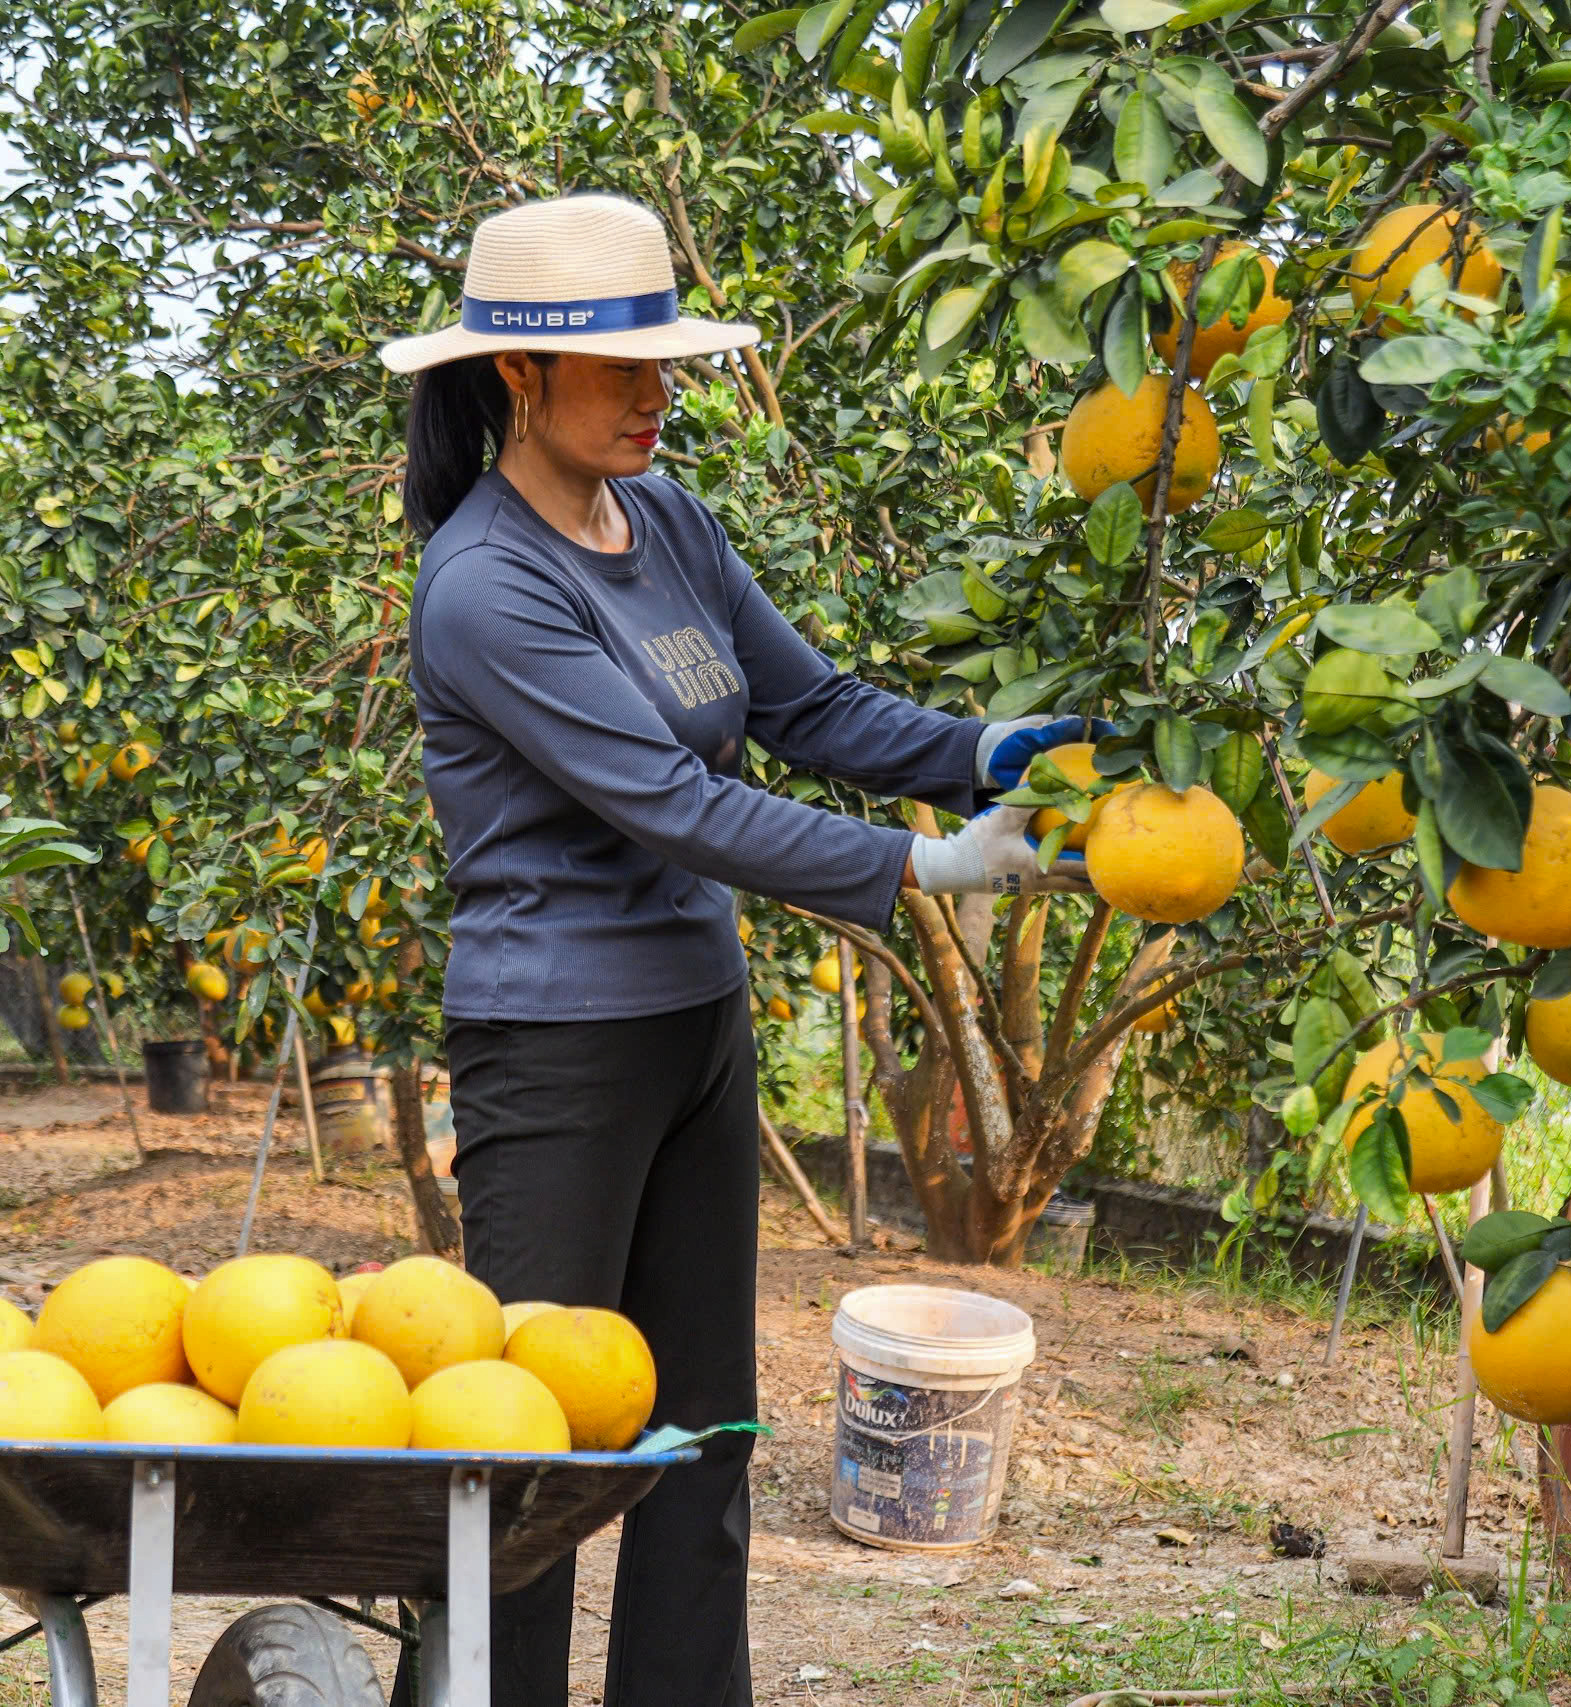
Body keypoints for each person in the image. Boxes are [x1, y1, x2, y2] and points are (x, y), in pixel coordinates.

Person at [379, 191, 1097, 1706]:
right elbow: (676, 800)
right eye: (624, 365)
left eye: (667, 359)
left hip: (695, 1024)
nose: (660, 393)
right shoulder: (484, 585)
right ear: (515, 371)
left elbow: (811, 707)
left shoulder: (674, 524)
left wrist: (981, 752)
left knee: (703, 1435)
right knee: (525, 1456)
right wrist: (922, 862)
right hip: (555, 1051)